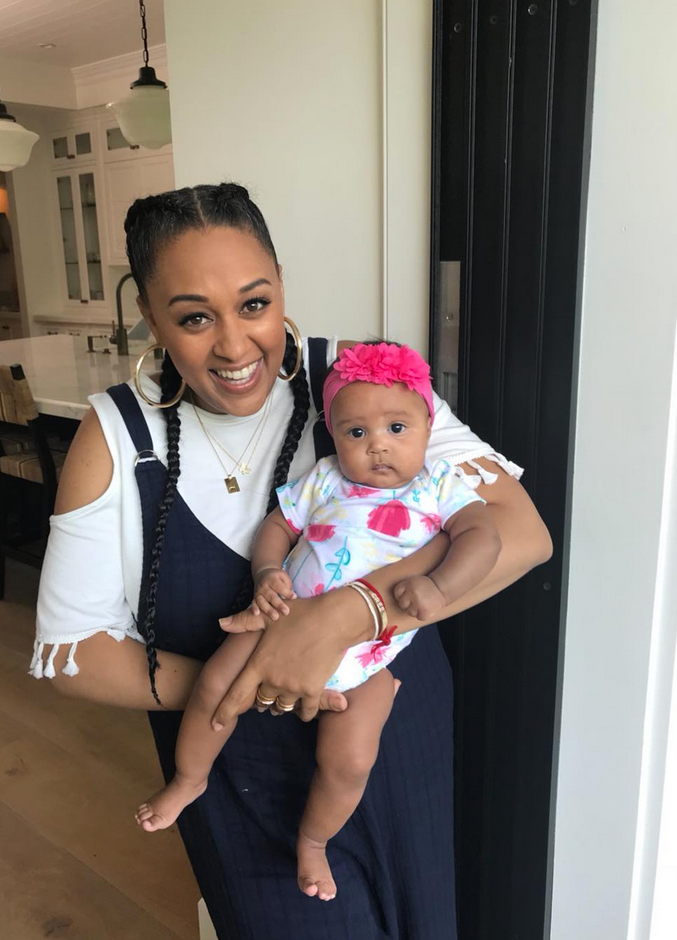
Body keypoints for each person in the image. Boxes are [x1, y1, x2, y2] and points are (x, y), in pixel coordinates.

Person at [33, 183, 552, 940]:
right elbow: (71, 656)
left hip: (391, 737)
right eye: (194, 317)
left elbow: (521, 533)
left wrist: (345, 618)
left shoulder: (363, 384)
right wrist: (259, 679)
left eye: (254, 304)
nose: (235, 346)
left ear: (280, 284)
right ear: (149, 315)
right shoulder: (116, 433)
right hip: (236, 770)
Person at [134, 340, 502, 905]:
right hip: (281, 623)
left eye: (397, 428)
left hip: (371, 654)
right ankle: (189, 779)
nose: (377, 444)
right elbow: (278, 527)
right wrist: (266, 572)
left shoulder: (440, 484)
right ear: (334, 435)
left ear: (428, 427)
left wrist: (440, 586)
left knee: (350, 760)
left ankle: (313, 841)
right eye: (356, 432)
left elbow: (484, 537)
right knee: (215, 684)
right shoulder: (326, 477)